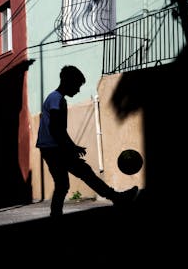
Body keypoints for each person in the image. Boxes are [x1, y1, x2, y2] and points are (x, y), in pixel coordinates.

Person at [37, 65, 138, 218]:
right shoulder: (56, 99)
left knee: (64, 183)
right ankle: (117, 198)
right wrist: (70, 148)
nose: (78, 90)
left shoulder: (55, 98)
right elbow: (56, 129)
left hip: (52, 148)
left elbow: (58, 130)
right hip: (54, 149)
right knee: (82, 174)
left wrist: (72, 146)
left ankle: (55, 215)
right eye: (77, 85)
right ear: (68, 81)